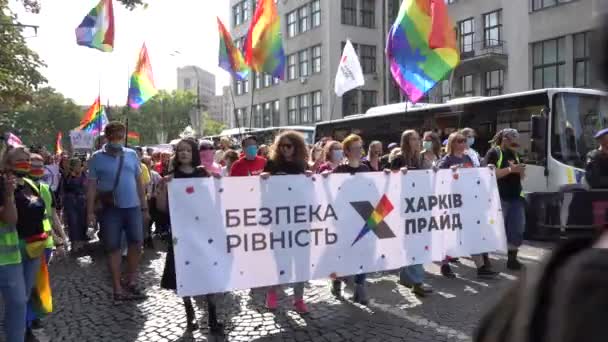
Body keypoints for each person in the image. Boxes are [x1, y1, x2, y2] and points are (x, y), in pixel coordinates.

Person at [156, 138, 224, 335]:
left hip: (203, 234)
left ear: (194, 153)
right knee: (183, 277)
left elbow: (214, 200)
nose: (184, 153)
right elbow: (162, 208)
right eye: (180, 150)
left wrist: (218, 184)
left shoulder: (204, 173)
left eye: (188, 150)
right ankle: (190, 315)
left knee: (208, 275)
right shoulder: (171, 177)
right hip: (181, 235)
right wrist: (161, 189)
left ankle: (212, 316)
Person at [86, 122, 149, 301]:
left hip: (133, 207)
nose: (117, 138)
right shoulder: (97, 158)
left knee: (137, 243)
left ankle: (131, 279)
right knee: (113, 247)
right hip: (110, 209)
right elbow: (91, 186)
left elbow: (139, 182)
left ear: (123, 136)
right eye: (113, 135)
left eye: (120, 135)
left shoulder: (131, 155)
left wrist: (144, 206)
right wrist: (89, 212)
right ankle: (117, 288)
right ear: (107, 136)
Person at [261, 131, 313, 313]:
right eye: (281, 146)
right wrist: (263, 179)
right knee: (279, 259)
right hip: (279, 219)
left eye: (288, 146)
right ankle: (272, 293)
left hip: (299, 220)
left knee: (301, 260)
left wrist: (309, 177)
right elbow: (261, 191)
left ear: (296, 147)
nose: (284, 149)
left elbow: (309, 193)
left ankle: (298, 299)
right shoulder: (272, 164)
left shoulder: (302, 165)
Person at [437, 132, 498, 279]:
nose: (463, 143)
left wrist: (486, 169)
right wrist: (450, 172)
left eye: (464, 140)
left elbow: (477, 175)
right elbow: (438, 176)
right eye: (459, 141)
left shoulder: (468, 157)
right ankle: (445, 265)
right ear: (452, 143)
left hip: (469, 202)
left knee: (473, 233)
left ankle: (481, 268)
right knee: (450, 235)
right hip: (453, 203)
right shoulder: (446, 160)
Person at [389, 130, 433, 297]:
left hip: (420, 206)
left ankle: (409, 277)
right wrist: (400, 175)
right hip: (404, 207)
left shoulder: (422, 158)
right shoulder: (399, 158)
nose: (416, 141)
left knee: (417, 243)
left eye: (417, 138)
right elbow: (390, 180)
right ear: (405, 141)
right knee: (411, 243)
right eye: (412, 139)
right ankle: (417, 282)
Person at [329, 134, 371, 305]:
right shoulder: (339, 171)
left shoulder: (366, 169)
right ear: (346, 151)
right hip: (344, 220)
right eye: (355, 148)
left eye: (361, 147)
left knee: (364, 252)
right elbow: (332, 195)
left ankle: (360, 287)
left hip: (363, 217)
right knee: (342, 253)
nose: (359, 151)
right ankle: (337, 280)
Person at [483, 128, 526, 270]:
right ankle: (484, 259)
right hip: (499, 198)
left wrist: (520, 171)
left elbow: (521, 177)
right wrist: (510, 170)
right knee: (494, 230)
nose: (515, 144)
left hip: (516, 197)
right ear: (505, 139)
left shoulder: (515, 154)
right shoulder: (493, 153)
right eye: (512, 140)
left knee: (517, 229)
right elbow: (491, 174)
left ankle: (512, 259)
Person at [0, 149, 22, 342]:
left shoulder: (5, 183)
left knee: (17, 305)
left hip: (9, 259)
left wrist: (8, 196)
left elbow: (10, 219)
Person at [61, 158, 88, 252]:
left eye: (80, 164)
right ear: (72, 166)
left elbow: (87, 186)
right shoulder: (67, 175)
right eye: (77, 164)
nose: (79, 166)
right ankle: (74, 244)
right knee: (73, 222)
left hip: (82, 201)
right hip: (71, 201)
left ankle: (81, 242)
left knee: (82, 221)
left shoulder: (84, 174)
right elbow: (64, 188)